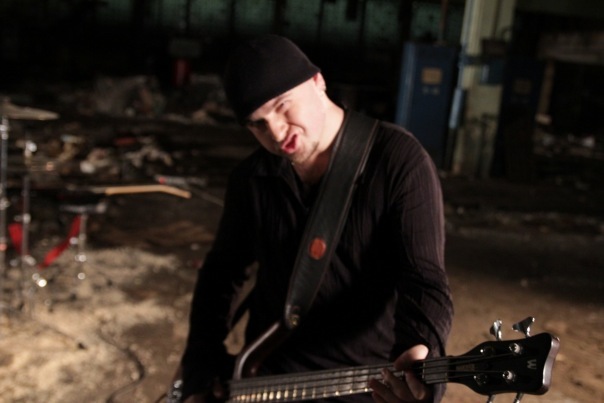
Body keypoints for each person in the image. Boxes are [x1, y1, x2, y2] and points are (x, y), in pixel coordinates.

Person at [170, 35, 453, 403]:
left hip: (361, 384)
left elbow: (425, 280)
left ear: (318, 82)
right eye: (258, 124)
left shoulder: (398, 161)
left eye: (282, 106)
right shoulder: (251, 178)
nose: (276, 132)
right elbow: (220, 275)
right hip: (265, 379)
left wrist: (420, 352)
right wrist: (198, 365)